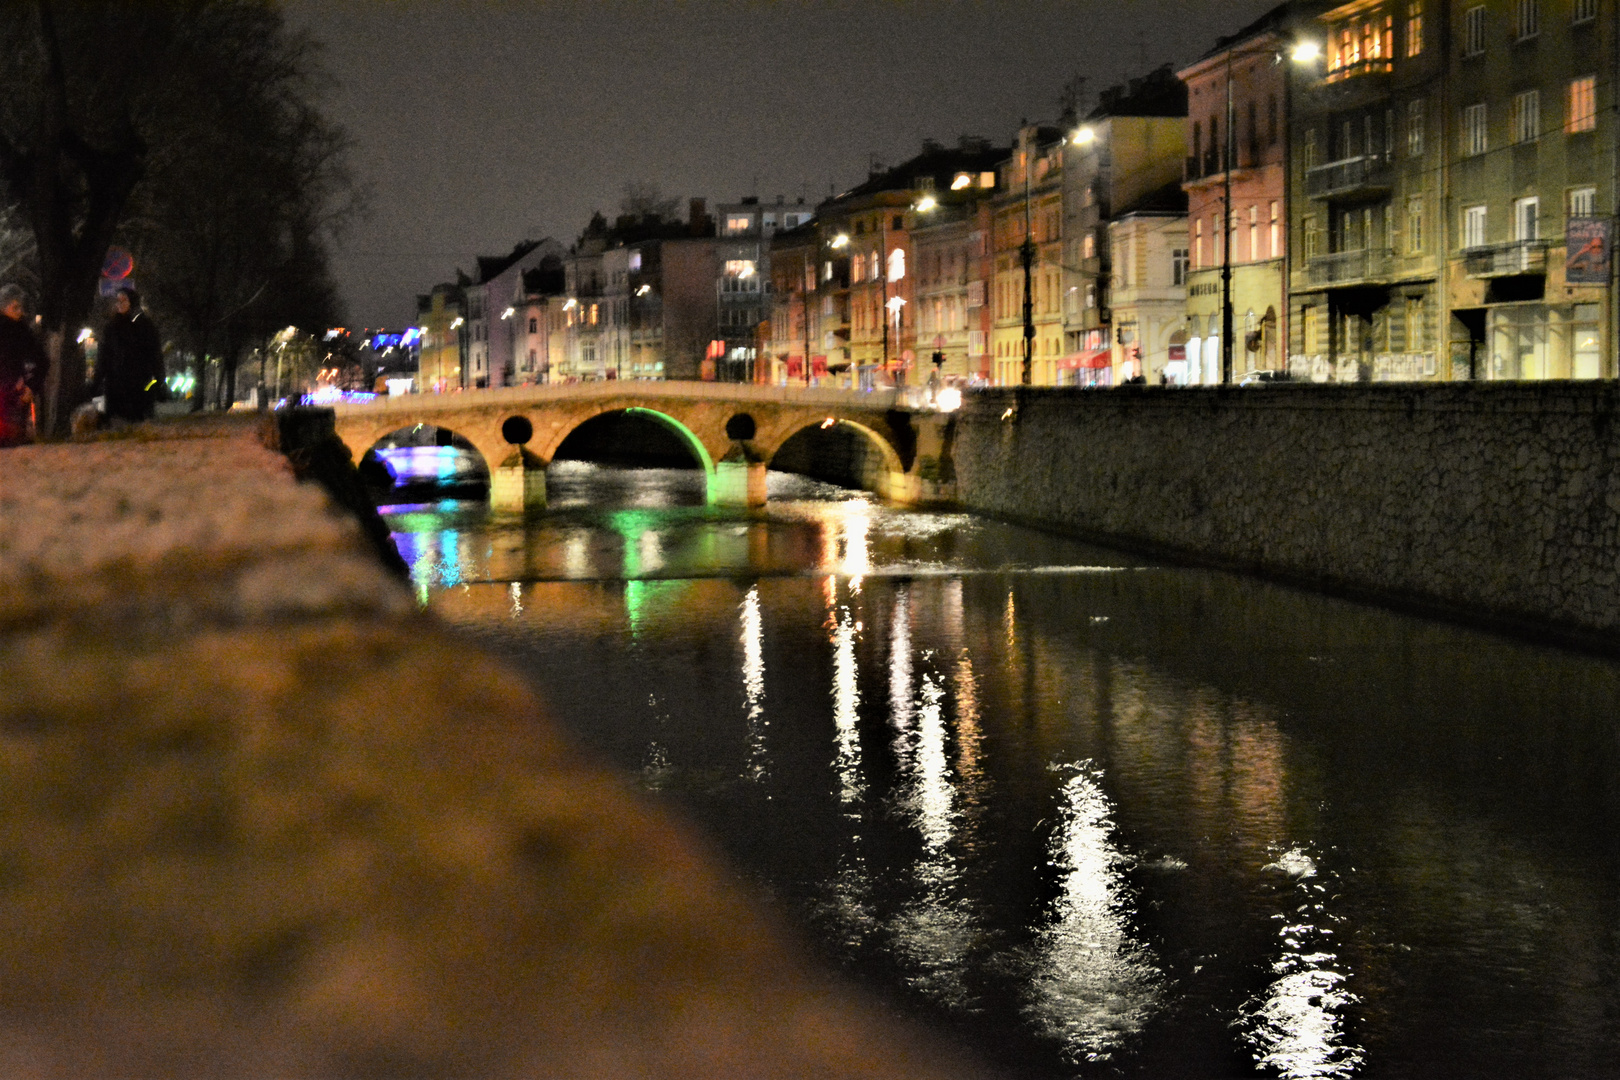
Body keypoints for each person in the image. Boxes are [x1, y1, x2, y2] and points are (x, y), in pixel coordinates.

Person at [97, 286, 164, 423]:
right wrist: (97, 380)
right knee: (116, 423)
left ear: (132, 302)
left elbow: (154, 353)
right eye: (118, 301)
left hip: (138, 384)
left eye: (124, 300)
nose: (120, 304)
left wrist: (159, 378)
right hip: (115, 385)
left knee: (136, 420)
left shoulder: (144, 325)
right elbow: (104, 356)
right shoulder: (111, 327)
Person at [0, 284, 46, 447]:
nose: (19, 311)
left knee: (16, 441)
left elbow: (41, 361)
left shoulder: (23, 332)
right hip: (6, 393)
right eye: (15, 307)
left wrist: (30, 387)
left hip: (18, 398)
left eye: (21, 307)